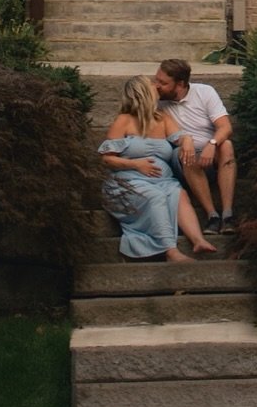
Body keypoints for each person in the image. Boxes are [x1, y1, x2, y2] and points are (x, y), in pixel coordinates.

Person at [98, 74, 217, 262]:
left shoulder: (163, 118)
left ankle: (198, 240)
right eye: (152, 84)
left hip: (163, 180)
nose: (157, 86)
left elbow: (180, 136)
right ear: (143, 92)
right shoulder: (124, 120)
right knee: (155, 197)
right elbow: (107, 159)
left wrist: (187, 140)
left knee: (179, 194)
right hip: (129, 181)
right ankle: (171, 251)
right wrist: (135, 164)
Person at [153, 57, 237, 234]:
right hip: (182, 160)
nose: (156, 85)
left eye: (163, 82)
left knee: (227, 145)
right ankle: (212, 215)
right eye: (156, 79)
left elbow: (225, 127)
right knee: (185, 152)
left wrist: (212, 143)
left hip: (210, 157)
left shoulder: (204, 92)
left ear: (180, 84)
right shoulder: (157, 101)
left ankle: (228, 214)